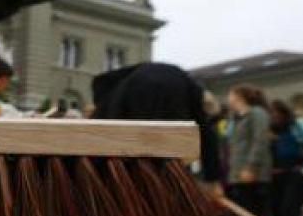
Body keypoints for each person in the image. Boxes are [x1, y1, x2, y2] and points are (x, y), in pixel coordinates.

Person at [92, 63, 223, 193]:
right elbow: (206, 134)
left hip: (131, 100)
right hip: (162, 140)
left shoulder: (124, 83)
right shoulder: (190, 90)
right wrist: (213, 179)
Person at [226, 85, 273, 216]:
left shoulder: (257, 113)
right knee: (243, 212)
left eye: (230, 94)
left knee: (256, 212)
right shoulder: (237, 118)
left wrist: (251, 167)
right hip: (238, 173)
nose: (228, 98)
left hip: (253, 173)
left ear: (239, 96)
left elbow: (259, 141)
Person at [268, 99, 303, 216]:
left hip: (292, 174)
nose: (273, 115)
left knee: (290, 209)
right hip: (273, 176)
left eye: (276, 112)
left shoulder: (296, 127)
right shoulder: (267, 130)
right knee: (276, 210)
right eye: (270, 112)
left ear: (283, 113)